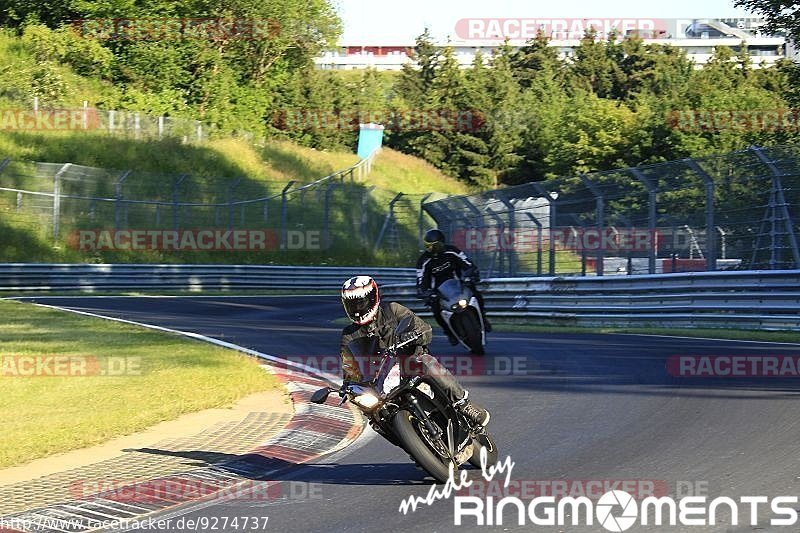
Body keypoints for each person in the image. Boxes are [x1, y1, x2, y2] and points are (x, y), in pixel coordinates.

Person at [338, 275, 490, 427]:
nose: (357, 309)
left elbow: (423, 328)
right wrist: (347, 386)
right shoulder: (349, 335)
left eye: (360, 303)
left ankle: (463, 403)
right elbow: (348, 366)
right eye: (352, 305)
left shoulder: (392, 309)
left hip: (410, 364)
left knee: (427, 362)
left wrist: (415, 334)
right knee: (372, 415)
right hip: (380, 382)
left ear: (372, 297)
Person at [415, 228, 491, 345]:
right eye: (428, 246)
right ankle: (449, 333)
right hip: (439, 291)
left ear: (442, 243)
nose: (431, 249)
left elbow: (467, 263)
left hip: (458, 284)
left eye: (435, 246)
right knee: (436, 309)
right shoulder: (424, 261)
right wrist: (424, 292)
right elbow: (421, 279)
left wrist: (472, 273)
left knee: (475, 293)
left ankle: (483, 319)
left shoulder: (452, 251)